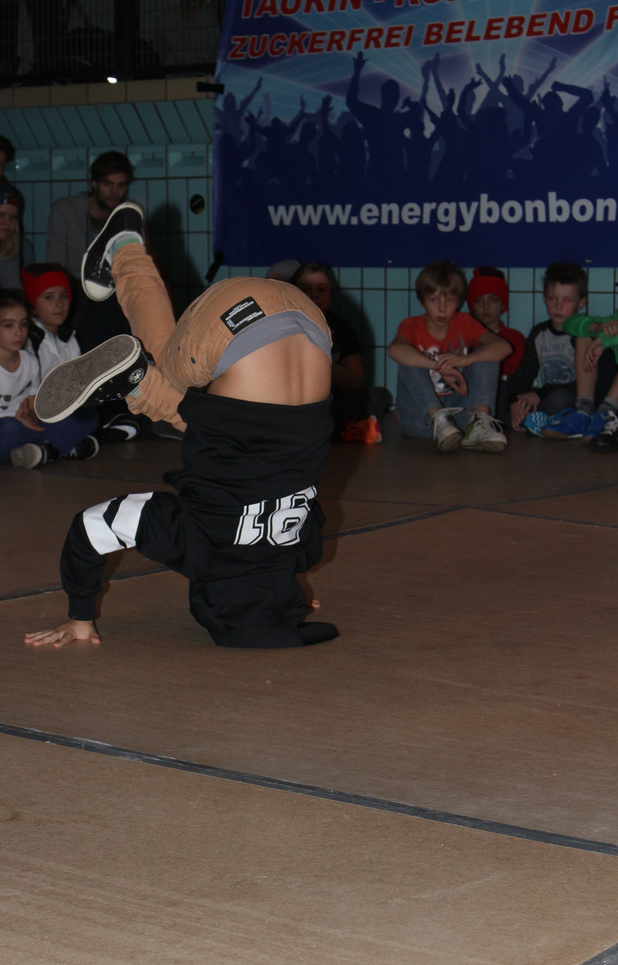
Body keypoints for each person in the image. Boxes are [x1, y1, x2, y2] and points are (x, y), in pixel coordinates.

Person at [25, 202, 339, 650]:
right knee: (165, 364)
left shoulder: (301, 548)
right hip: (233, 327)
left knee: (197, 417)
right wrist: (80, 615)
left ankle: (138, 374)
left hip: (308, 321)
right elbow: (91, 527)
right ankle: (125, 256)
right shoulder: (200, 552)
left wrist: (287, 597)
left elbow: (298, 539)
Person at [0, 288, 99, 467]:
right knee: (8, 427)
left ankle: (44, 450)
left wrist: (30, 417)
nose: (18, 332)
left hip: (23, 428)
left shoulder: (30, 361)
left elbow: (34, 409)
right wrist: (12, 422)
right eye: (8, 326)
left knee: (86, 416)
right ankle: (58, 447)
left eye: (23, 324)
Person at [388, 260, 511, 452]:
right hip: (419, 420)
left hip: (458, 418)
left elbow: (504, 347)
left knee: (487, 355)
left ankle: (478, 424)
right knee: (408, 357)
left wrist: (467, 359)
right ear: (421, 301)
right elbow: (394, 350)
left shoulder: (464, 322)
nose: (442, 308)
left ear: (459, 301)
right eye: (434, 300)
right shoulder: (412, 325)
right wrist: (438, 366)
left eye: (450, 300)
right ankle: (438, 418)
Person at [21, 261, 141, 443]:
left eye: (63, 296)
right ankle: (79, 440)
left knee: (107, 411)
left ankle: (84, 437)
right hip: (35, 413)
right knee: (85, 420)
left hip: (65, 410)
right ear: (32, 303)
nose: (59, 304)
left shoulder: (69, 338)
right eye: (48, 297)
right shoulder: (28, 341)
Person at [46, 150, 134, 352]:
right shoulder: (66, 210)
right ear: (94, 183)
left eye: (121, 185)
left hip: (114, 296)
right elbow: (55, 264)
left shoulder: (127, 214)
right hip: (76, 294)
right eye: (108, 184)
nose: (114, 192)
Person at [291, 260, 388, 443]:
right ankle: (339, 430)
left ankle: (333, 429)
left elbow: (357, 381)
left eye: (321, 289)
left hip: (332, 403)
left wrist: (322, 359)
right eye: (305, 289)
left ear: (331, 295)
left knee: (377, 396)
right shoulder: (282, 326)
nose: (313, 295)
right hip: (296, 403)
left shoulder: (341, 328)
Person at [556, 254, 618, 451]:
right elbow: (569, 323)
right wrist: (596, 328)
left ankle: (606, 412)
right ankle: (584, 412)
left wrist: (607, 339)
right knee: (583, 335)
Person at [508, 262, 593, 435]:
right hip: (545, 396)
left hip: (571, 398)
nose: (558, 306)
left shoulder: (585, 334)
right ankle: (534, 419)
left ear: (581, 303)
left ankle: (545, 421)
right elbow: (524, 373)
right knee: (504, 392)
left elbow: (586, 384)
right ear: (544, 298)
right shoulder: (539, 333)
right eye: (552, 299)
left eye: (567, 300)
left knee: (560, 398)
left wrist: (540, 394)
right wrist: (515, 402)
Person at [466, 265, 525, 425]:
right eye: (479, 301)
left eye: (493, 300)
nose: (486, 307)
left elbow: (522, 380)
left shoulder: (515, 339)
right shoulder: (465, 338)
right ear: (471, 306)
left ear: (502, 304)